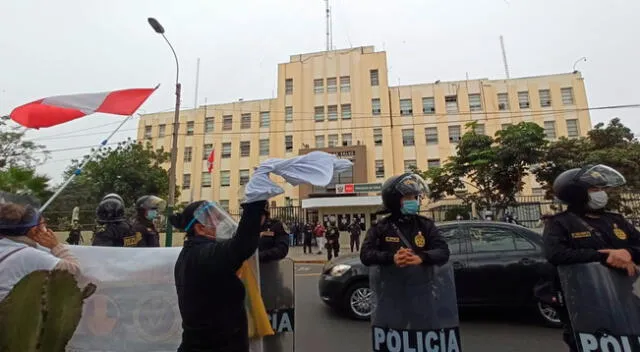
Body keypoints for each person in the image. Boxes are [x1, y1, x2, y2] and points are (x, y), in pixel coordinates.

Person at [543, 164, 640, 351]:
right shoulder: (560, 223)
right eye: (595, 189)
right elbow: (556, 254)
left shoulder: (616, 220)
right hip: (586, 303)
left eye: (603, 189)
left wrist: (629, 253)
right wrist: (602, 256)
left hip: (626, 298)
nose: (601, 193)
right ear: (576, 193)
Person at [172, 199, 267, 352]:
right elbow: (242, 246)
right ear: (200, 229)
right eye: (215, 219)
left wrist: (258, 215)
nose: (221, 222)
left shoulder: (194, 253)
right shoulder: (204, 254)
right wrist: (254, 205)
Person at [361, 172, 450, 270]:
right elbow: (365, 255)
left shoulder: (425, 225)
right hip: (391, 283)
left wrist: (422, 257)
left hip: (422, 283)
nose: (413, 201)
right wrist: (392, 257)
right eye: (408, 197)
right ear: (393, 200)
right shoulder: (380, 227)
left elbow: (443, 251)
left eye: (414, 197)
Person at [0, 202, 81, 301]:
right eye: (43, 224)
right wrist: (56, 246)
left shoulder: (6, 246)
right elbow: (73, 272)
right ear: (34, 230)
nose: (46, 228)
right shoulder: (28, 255)